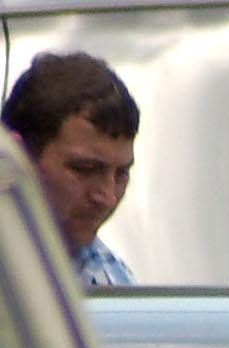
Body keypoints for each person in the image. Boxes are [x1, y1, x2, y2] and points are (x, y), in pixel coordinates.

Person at [1, 51, 138, 285]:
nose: (107, 196)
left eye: (121, 174)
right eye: (84, 169)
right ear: (15, 160)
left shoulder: (113, 281)